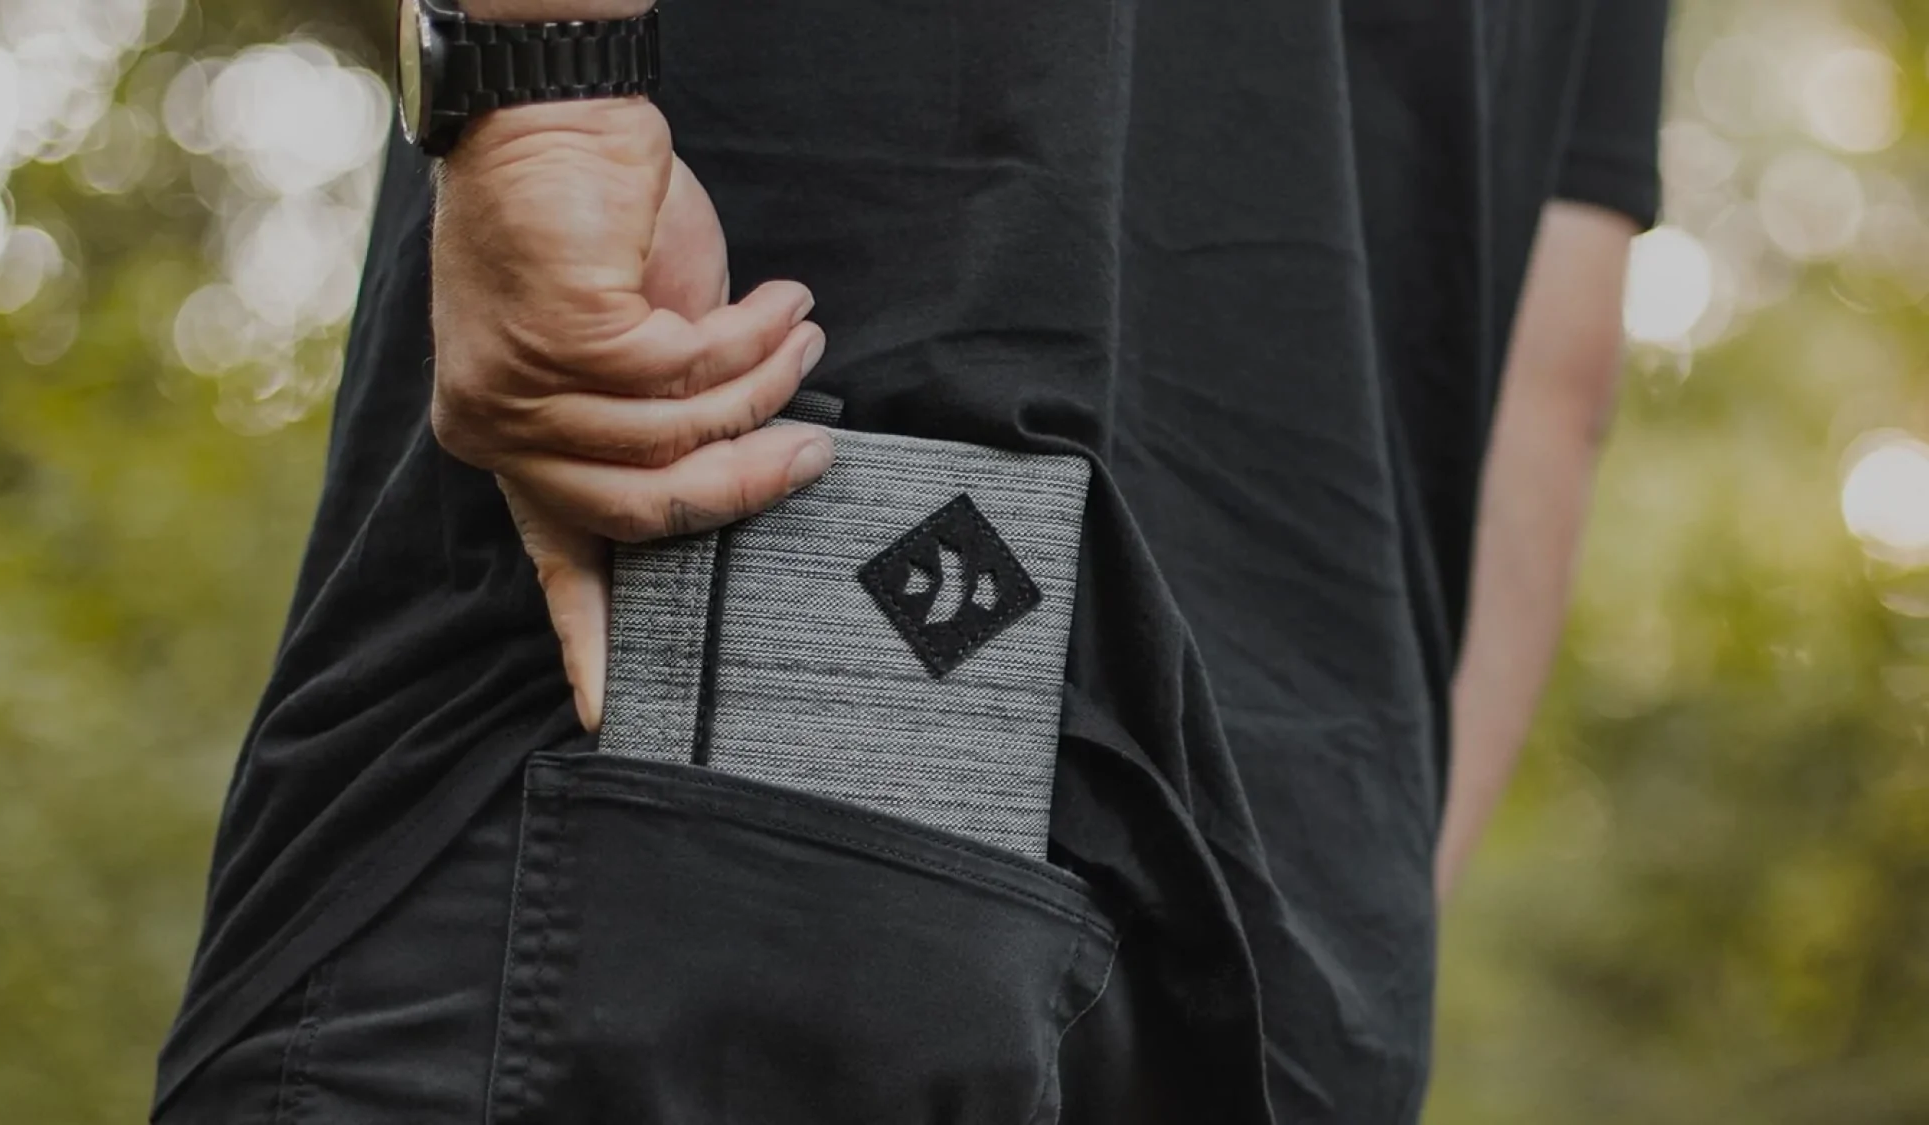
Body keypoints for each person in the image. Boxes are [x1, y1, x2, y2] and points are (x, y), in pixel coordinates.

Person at [150, 0, 1670, 1121]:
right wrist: (1361, 926)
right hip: (1289, 955)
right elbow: (1555, 381)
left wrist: (549, 92)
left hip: (729, 613)